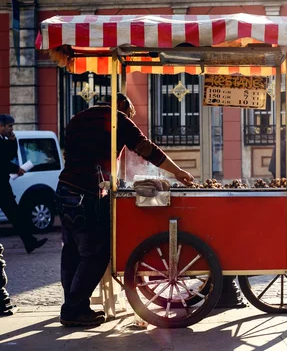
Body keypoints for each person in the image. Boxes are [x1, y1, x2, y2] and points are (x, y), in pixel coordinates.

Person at [56, 94, 194, 327]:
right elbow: (147, 149)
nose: (131, 116)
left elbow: (71, 154)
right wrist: (177, 172)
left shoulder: (77, 118)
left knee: (72, 251)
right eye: (130, 111)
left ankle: (72, 305)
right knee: (96, 254)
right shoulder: (116, 118)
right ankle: (74, 309)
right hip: (87, 194)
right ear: (121, 105)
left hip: (64, 190)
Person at [0, 114, 47, 253]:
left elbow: (9, 156)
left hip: (3, 185)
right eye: (9, 126)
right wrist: (16, 169)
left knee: (15, 214)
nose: (11, 129)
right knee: (14, 213)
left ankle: (29, 242)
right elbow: (2, 162)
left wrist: (13, 141)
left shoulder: (3, 140)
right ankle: (29, 242)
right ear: (1, 126)